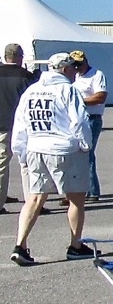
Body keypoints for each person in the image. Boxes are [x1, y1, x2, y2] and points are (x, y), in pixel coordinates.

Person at [10, 52, 93, 265]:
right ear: (65, 69)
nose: (76, 71)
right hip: (64, 149)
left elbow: (20, 124)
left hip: (36, 148)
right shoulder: (68, 90)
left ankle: (20, 245)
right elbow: (79, 121)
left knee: (35, 198)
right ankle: (75, 245)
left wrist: (21, 152)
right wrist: (85, 145)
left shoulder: (32, 90)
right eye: (73, 68)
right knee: (76, 199)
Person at [0, 43, 38, 213]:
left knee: (2, 164)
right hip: (19, 125)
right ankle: (33, 202)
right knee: (27, 164)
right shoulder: (26, 77)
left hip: (2, 124)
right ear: (19, 57)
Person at [68, 51, 106, 202]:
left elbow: (100, 97)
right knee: (73, 154)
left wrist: (79, 101)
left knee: (87, 153)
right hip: (75, 118)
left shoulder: (96, 75)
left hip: (91, 118)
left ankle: (92, 191)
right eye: (74, 65)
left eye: (79, 64)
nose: (77, 67)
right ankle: (76, 191)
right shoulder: (74, 76)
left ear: (86, 61)